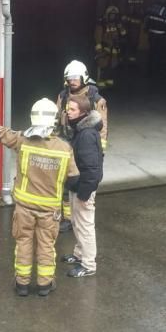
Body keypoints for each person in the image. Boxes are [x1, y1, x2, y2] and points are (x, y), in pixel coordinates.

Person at [0, 97, 79, 297]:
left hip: (24, 208)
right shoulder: (64, 148)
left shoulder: (22, 140)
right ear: (55, 120)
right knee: (46, 247)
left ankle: (22, 285)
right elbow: (74, 181)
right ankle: (45, 285)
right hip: (50, 211)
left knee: (23, 243)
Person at [55, 60, 108, 233]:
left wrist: (100, 153)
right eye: (69, 77)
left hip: (84, 147)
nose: (72, 81)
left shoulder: (96, 99)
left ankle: (78, 217)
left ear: (83, 77)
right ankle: (68, 218)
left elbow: (103, 128)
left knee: (80, 181)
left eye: (75, 77)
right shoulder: (63, 96)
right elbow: (57, 120)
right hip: (66, 144)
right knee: (64, 183)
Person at [61, 94, 103, 278]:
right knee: (77, 223)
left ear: (83, 113)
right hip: (76, 186)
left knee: (85, 226)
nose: (68, 112)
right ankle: (79, 255)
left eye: (72, 110)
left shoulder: (86, 135)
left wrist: (84, 194)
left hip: (82, 189)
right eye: (67, 109)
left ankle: (88, 265)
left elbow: (93, 170)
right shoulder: (80, 129)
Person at [94, 5, 126, 88]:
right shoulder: (102, 24)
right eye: (111, 14)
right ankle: (100, 80)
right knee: (103, 64)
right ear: (107, 14)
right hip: (104, 48)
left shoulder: (117, 24)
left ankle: (109, 79)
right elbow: (98, 36)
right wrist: (99, 49)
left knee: (113, 65)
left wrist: (120, 26)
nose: (113, 16)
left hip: (114, 48)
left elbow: (123, 34)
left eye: (114, 15)